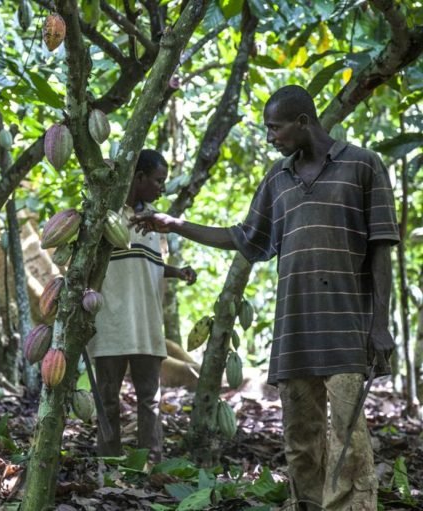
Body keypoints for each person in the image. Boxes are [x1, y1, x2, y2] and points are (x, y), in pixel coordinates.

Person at [131, 85, 398, 510]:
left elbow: (382, 246)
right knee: (300, 442)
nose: (271, 137)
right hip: (294, 331)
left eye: (275, 127)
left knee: (349, 442)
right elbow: (244, 238)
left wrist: (380, 323)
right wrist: (175, 224)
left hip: (347, 330)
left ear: (303, 122)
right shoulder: (278, 178)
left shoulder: (364, 166)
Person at [87, 149, 197, 463]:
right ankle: (109, 460)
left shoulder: (154, 221)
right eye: (158, 180)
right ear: (139, 178)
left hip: (147, 325)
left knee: (150, 399)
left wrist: (178, 272)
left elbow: (147, 266)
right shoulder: (105, 215)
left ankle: (152, 461)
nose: (163, 188)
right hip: (111, 323)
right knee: (107, 397)